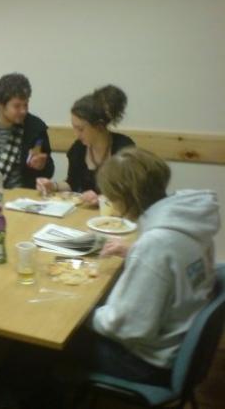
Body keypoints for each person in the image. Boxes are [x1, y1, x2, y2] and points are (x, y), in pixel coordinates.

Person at [67, 148, 219, 387]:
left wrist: (80, 313)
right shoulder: (189, 222)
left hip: (149, 362)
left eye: (111, 197)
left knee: (46, 341)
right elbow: (174, 264)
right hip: (178, 341)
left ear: (125, 197)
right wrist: (135, 252)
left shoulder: (156, 244)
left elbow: (130, 328)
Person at [37, 85, 134, 204]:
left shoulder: (123, 148)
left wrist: (101, 199)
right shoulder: (79, 148)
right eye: (74, 128)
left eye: (81, 129)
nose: (77, 134)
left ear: (99, 126)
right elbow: (72, 183)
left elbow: (131, 193)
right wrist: (53, 185)